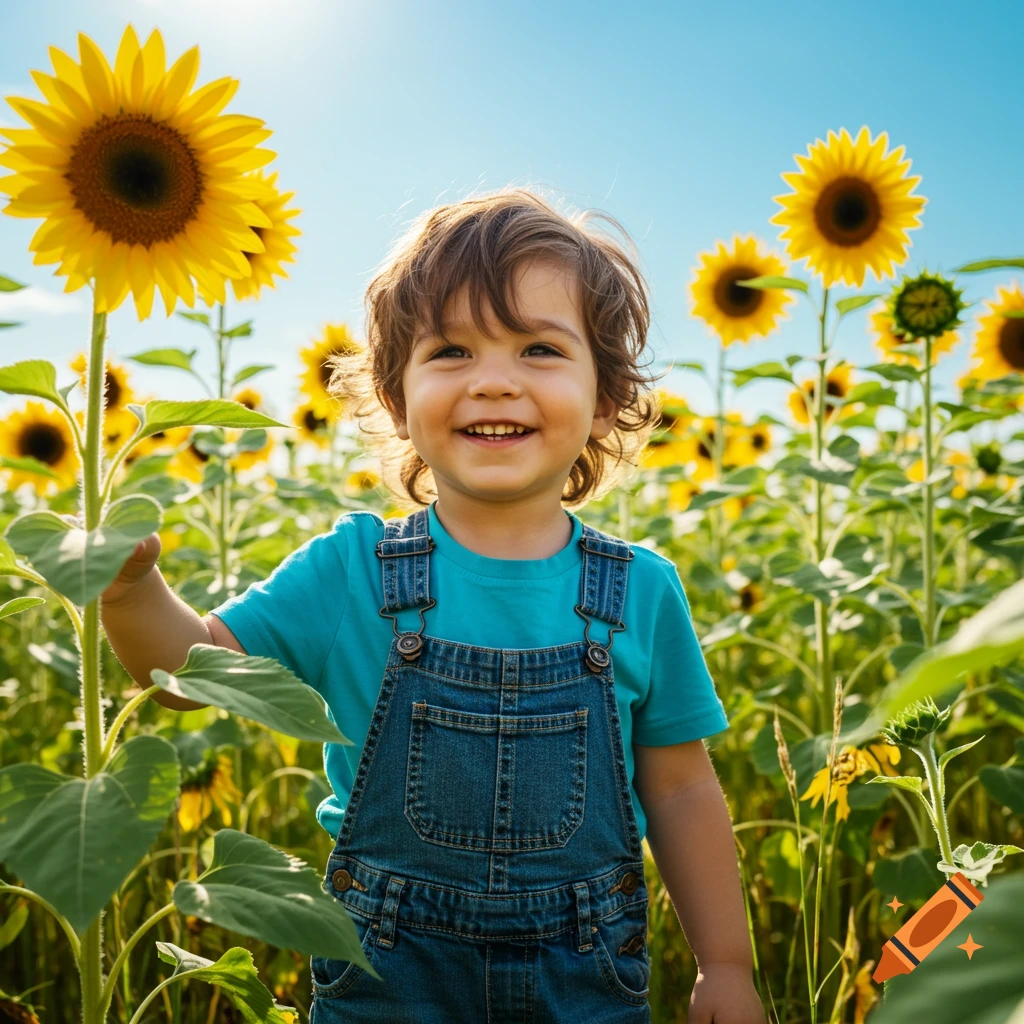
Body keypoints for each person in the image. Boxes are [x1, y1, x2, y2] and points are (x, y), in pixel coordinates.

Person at [102, 187, 766, 1024]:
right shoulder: (351, 572)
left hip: (584, 986)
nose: (494, 382)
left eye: (538, 350)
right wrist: (130, 593)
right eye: (450, 351)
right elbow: (190, 672)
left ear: (604, 395)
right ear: (396, 394)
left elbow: (678, 790)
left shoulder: (641, 590)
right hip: (384, 986)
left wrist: (727, 964)